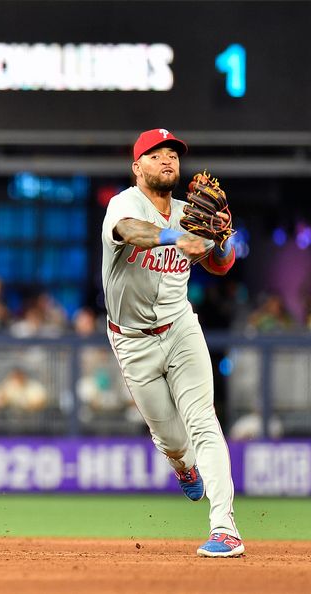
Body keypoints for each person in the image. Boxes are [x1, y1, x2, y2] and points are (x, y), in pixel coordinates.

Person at [101, 128, 244, 558]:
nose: (167, 160)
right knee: (174, 441)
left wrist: (220, 239)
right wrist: (172, 237)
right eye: (155, 154)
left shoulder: (190, 214)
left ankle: (225, 528)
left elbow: (221, 266)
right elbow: (130, 231)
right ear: (137, 167)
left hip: (180, 328)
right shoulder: (123, 204)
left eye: (173, 154)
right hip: (132, 341)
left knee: (204, 421)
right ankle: (183, 468)